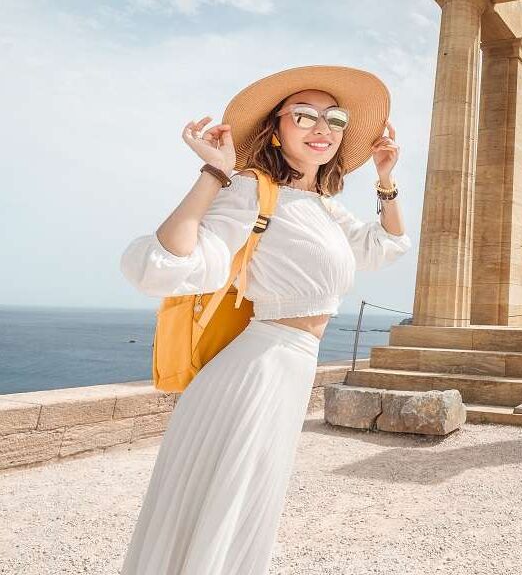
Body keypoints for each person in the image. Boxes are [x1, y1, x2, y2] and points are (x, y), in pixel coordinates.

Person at [117, 65, 412, 575]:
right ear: (276, 129)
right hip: (254, 374)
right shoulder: (253, 190)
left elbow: (384, 246)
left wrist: (386, 181)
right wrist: (214, 173)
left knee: (244, 511)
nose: (322, 127)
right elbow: (163, 265)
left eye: (334, 117)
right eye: (304, 115)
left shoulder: (321, 207)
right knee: (230, 509)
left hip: (285, 372)